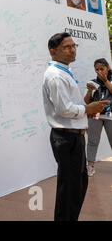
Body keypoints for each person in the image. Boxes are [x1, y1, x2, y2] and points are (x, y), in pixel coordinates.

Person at [42, 32, 109, 221]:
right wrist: (88, 108)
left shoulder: (64, 71)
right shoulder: (55, 76)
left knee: (78, 185)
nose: (72, 50)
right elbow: (64, 109)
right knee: (70, 189)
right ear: (53, 51)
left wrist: (88, 101)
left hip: (74, 136)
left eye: (74, 46)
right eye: (67, 47)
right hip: (66, 138)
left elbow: (71, 104)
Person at [83, 58, 112, 176]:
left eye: (102, 69)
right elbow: (86, 100)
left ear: (108, 67)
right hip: (95, 115)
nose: (99, 71)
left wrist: (105, 81)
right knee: (92, 141)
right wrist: (89, 91)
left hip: (110, 115)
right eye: (97, 70)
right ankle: (90, 166)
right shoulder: (93, 82)